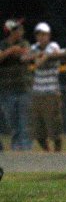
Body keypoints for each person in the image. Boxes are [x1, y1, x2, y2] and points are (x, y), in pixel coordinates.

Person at [28, 22, 64, 152]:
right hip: (37, 92)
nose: (41, 37)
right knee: (37, 131)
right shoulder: (34, 47)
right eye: (39, 34)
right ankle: (48, 152)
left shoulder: (53, 45)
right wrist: (41, 55)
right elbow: (25, 57)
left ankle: (57, 153)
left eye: (44, 34)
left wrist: (43, 56)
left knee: (54, 127)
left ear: (48, 35)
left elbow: (39, 62)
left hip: (51, 92)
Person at [0, 19, 32, 150]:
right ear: (11, 32)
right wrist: (11, 50)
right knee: (12, 122)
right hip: (7, 89)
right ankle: (16, 149)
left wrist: (12, 52)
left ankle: (25, 150)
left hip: (24, 87)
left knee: (24, 121)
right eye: (18, 29)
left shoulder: (24, 43)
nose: (21, 32)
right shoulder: (3, 44)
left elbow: (26, 55)